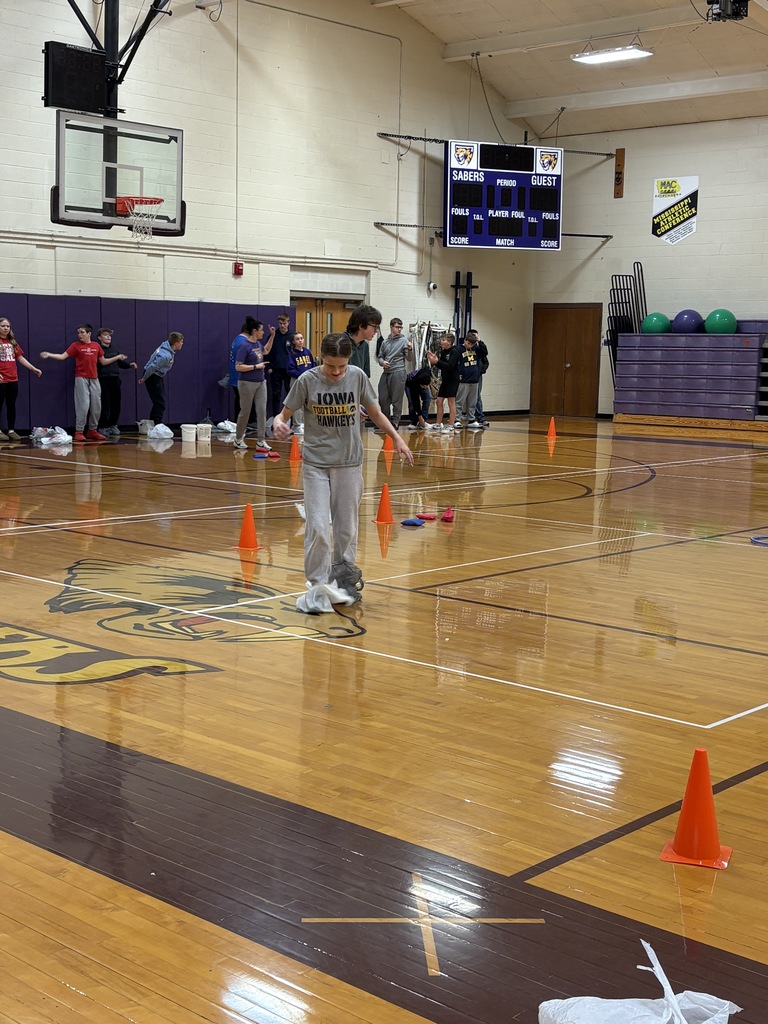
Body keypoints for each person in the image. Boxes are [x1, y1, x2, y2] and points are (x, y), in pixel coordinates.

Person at [273, 331, 414, 614]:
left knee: (346, 527)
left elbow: (375, 413)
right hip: (316, 464)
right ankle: (317, 586)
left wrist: (397, 438)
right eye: (330, 365)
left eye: (342, 366)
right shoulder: (307, 381)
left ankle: (343, 579)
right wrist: (278, 422)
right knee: (318, 526)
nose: (336, 372)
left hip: (349, 463)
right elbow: (283, 414)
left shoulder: (357, 377)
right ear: (320, 358)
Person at [41, 323, 126, 442]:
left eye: (82, 332)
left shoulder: (96, 346)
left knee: (97, 406)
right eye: (78, 333)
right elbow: (63, 356)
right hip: (81, 378)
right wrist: (49, 354)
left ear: (89, 333)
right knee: (83, 406)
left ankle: (92, 430)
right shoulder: (75, 346)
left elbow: (103, 361)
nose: (80, 335)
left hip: (94, 379)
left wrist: (117, 357)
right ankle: (79, 431)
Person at [233, 318, 273, 451]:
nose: (263, 332)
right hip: (246, 383)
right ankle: (238, 438)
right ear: (255, 331)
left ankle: (261, 440)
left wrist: (272, 336)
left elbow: (266, 351)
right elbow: (238, 367)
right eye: (261, 330)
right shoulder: (244, 346)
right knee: (245, 411)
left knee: (261, 411)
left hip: (261, 382)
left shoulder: (258, 344)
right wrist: (256, 366)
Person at [0, 316, 42, 441]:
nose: (6, 328)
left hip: (12, 378)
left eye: (8, 326)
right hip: (1, 379)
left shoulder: (12, 342)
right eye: (3, 326)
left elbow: (20, 358)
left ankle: (11, 430)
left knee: (11, 405)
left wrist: (33, 368)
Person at [96, 327, 137, 436]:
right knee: (105, 404)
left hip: (115, 379)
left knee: (116, 404)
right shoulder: (98, 349)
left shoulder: (113, 348)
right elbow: (102, 362)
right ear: (99, 337)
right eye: (105, 335)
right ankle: (103, 426)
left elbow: (119, 362)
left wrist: (128, 365)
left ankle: (113, 424)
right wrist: (118, 357)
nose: (108, 337)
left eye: (109, 335)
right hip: (104, 379)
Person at [138, 332, 184, 428]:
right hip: (152, 376)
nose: (182, 344)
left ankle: (151, 424)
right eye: (181, 342)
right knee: (160, 403)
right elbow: (152, 367)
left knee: (159, 402)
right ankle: (157, 424)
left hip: (157, 376)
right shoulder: (165, 355)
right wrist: (144, 378)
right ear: (176, 343)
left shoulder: (166, 346)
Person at [345, 303, 378, 426]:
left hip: (355, 399)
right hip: (340, 401)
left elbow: (364, 376)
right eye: (374, 326)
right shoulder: (341, 342)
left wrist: (360, 400)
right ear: (361, 325)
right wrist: (351, 402)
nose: (376, 331)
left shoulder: (364, 346)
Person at [376, 317, 412, 430]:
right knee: (383, 398)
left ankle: (395, 422)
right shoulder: (385, 342)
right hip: (386, 372)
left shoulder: (404, 340)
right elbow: (380, 357)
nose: (399, 329)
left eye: (401, 327)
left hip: (398, 372)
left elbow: (410, 358)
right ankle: (386, 422)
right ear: (391, 327)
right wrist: (382, 362)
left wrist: (410, 349)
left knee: (397, 399)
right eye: (397, 327)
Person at [286, 330, 316, 436]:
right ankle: (296, 425)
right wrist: (301, 375)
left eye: (301, 338)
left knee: (308, 403)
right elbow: (290, 369)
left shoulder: (307, 352)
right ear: (293, 342)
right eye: (297, 339)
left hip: (309, 381)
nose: (300, 341)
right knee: (297, 404)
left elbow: (313, 365)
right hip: (297, 380)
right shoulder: (292, 354)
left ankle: (304, 423)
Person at [429, 332, 460, 430]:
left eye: (443, 340)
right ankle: (438, 423)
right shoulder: (444, 352)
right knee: (439, 401)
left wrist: (437, 361)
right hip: (445, 380)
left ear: (449, 342)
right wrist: (435, 362)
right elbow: (442, 366)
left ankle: (451, 425)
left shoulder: (454, 352)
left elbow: (450, 366)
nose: (441, 342)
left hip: (453, 380)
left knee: (451, 402)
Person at [268, 313, 293, 426]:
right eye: (280, 323)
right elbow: (267, 350)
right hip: (275, 369)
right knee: (276, 395)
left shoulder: (292, 336)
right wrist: (268, 367)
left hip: (288, 369)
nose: (282, 325)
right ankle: (275, 418)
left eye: (284, 323)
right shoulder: (274, 335)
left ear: (288, 323)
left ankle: (290, 420)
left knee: (290, 394)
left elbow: (295, 353)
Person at [455, 332, 483, 428]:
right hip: (463, 379)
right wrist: (458, 375)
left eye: (472, 344)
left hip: (474, 379)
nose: (470, 346)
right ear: (465, 341)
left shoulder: (476, 349)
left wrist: (480, 342)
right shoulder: (458, 349)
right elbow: (454, 363)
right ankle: (456, 419)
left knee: (472, 401)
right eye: (469, 343)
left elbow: (484, 352)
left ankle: (471, 419)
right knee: (460, 401)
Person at [466, 328, 490, 427]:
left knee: (477, 396)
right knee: (462, 397)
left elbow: (485, 359)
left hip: (477, 376)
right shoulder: (463, 349)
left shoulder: (479, 349)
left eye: (475, 336)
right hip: (465, 377)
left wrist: (480, 370)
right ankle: (461, 417)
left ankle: (480, 417)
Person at [405, 365, 432, 431]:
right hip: (409, 384)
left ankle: (423, 421)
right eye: (423, 386)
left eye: (426, 386)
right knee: (412, 403)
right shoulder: (414, 382)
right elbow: (416, 400)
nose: (425, 388)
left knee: (427, 399)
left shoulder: (427, 375)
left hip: (421, 380)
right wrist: (419, 416)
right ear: (420, 384)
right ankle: (414, 422)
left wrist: (422, 419)